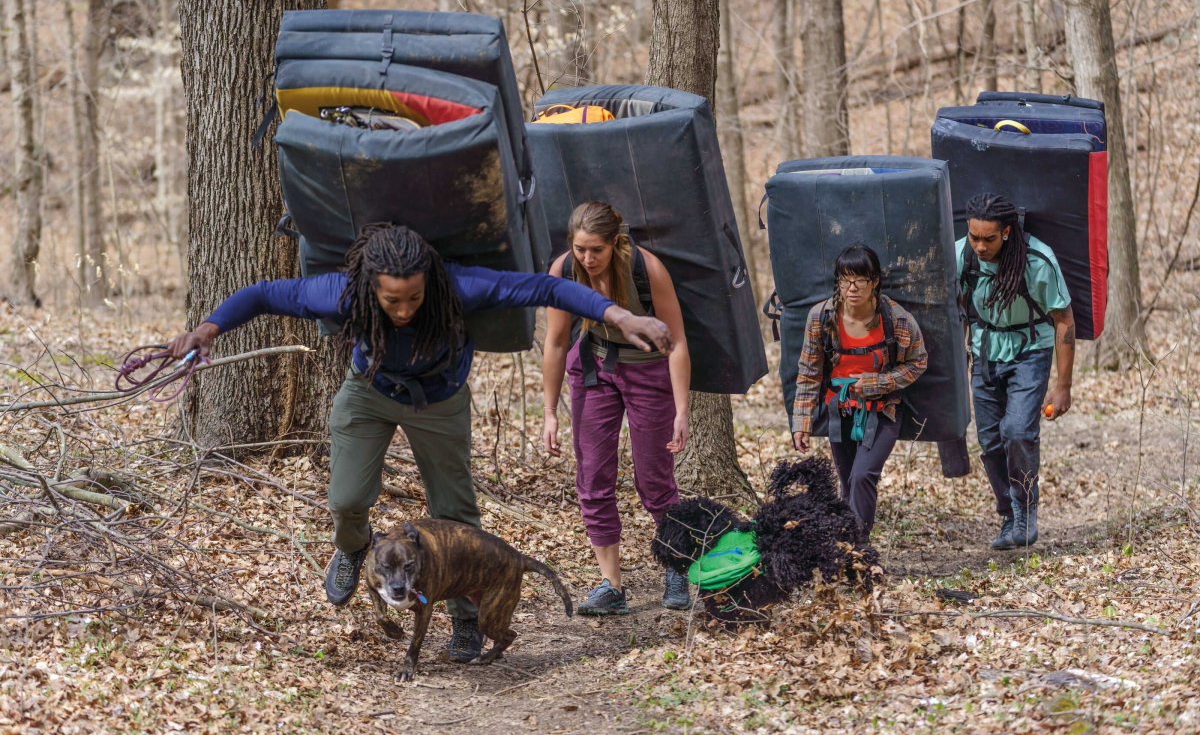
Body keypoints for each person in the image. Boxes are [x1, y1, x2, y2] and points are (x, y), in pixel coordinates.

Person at [169, 222, 672, 661]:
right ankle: (351, 551)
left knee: (455, 513)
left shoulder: (460, 286)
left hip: (439, 399)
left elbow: (546, 289)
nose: (405, 309)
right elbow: (261, 294)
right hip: (369, 391)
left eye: (414, 297)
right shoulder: (340, 292)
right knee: (346, 501)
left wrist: (619, 317)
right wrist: (209, 327)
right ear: (370, 287)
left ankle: (464, 616)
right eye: (392, 300)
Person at [542, 202, 692, 615]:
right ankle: (611, 585)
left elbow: (676, 342)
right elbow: (556, 342)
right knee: (592, 477)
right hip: (595, 368)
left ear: (615, 243)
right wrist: (550, 411)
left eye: (596, 250)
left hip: (648, 372)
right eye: (580, 249)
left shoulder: (647, 269)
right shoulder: (564, 269)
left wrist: (682, 410)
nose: (587, 259)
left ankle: (676, 564)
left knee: (655, 480)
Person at [958, 193, 1074, 550]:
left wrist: (1063, 386)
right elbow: (956, 310)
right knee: (991, 440)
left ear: (1007, 232)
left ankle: (1026, 511)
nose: (979, 245)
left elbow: (1064, 320)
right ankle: (1008, 513)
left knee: (1018, 431)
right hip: (985, 352)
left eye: (988, 239)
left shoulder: (1037, 259)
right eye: (974, 236)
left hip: (1030, 351)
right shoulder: (962, 254)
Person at [791, 243, 928, 540]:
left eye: (860, 280)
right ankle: (845, 547)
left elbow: (918, 362)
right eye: (845, 279)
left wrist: (878, 383)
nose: (852, 287)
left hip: (883, 410)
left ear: (875, 281)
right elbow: (808, 371)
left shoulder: (897, 319)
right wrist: (801, 422)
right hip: (840, 411)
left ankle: (857, 547)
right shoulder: (822, 317)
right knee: (846, 481)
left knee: (863, 476)